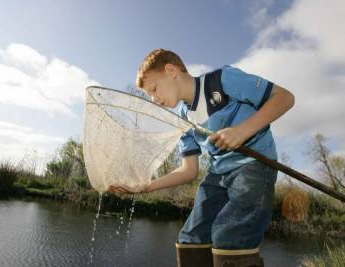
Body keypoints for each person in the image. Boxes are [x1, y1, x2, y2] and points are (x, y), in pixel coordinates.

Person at [109, 48, 294, 267]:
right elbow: (189, 170)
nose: (154, 99)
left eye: (154, 89)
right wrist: (145, 187)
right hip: (218, 175)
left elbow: (284, 98)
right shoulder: (184, 120)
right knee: (191, 239)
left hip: (254, 167)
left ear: (171, 70)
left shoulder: (222, 80)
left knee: (229, 239)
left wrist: (242, 131)